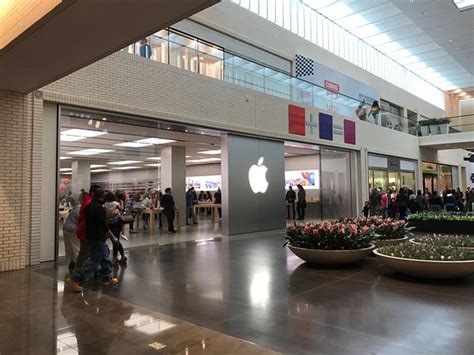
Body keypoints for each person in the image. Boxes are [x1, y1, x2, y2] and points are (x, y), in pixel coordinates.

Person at [66, 187, 119, 292]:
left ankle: (107, 277)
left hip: (91, 235)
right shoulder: (99, 207)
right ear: (102, 196)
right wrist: (112, 236)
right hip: (98, 236)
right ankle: (75, 278)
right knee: (93, 260)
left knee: (104, 256)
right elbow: (103, 223)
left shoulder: (89, 206)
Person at [74, 186, 95, 269]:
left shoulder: (86, 202)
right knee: (84, 252)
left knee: (85, 252)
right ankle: (78, 273)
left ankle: (80, 271)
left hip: (83, 230)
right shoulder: (89, 203)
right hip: (86, 231)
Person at [105, 192, 127, 264]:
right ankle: (122, 256)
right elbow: (121, 209)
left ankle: (115, 257)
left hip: (110, 224)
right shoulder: (115, 203)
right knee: (115, 240)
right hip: (116, 223)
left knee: (115, 241)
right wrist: (122, 203)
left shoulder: (104, 204)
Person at [63, 193, 83, 271]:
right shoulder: (82, 208)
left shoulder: (76, 208)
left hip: (66, 227)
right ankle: (79, 266)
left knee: (69, 248)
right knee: (77, 247)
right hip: (74, 229)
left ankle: (72, 262)